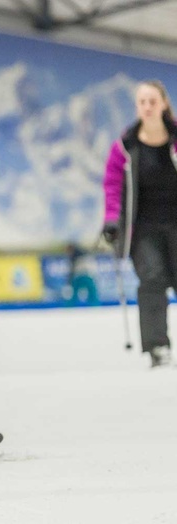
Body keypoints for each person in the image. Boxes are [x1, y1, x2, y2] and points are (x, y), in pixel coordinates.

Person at [103, 79, 177, 368]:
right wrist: (112, 220)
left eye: (152, 101)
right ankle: (157, 347)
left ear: (163, 104)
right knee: (152, 280)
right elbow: (112, 185)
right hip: (143, 228)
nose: (147, 107)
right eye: (142, 102)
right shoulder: (125, 146)